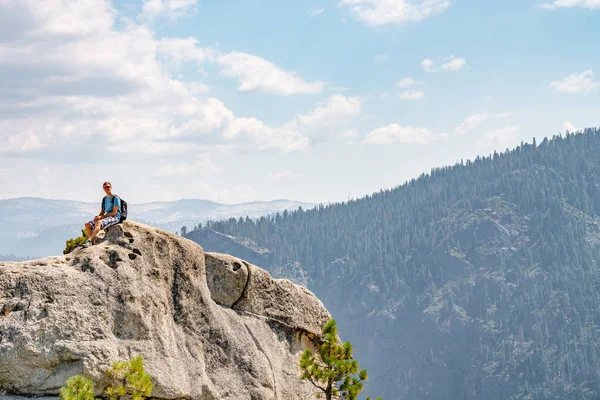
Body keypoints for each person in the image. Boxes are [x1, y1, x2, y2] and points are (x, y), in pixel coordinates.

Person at [82, 181, 122, 248]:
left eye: (108, 187)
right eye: (105, 187)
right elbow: (102, 212)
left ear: (111, 187)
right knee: (87, 225)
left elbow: (114, 212)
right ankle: (91, 244)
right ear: (103, 189)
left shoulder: (116, 198)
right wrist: (98, 216)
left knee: (99, 223)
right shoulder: (104, 199)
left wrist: (101, 217)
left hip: (115, 217)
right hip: (107, 216)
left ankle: (89, 241)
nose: (107, 188)